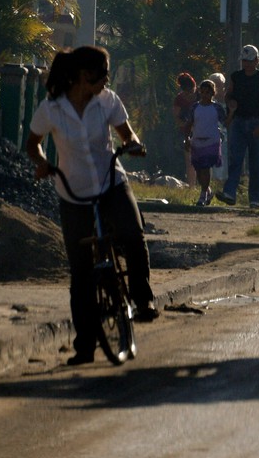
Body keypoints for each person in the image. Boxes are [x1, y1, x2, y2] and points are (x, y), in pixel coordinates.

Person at [24, 46, 159, 366]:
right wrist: (42, 163)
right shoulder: (51, 109)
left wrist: (133, 145)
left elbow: (127, 135)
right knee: (81, 272)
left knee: (132, 234)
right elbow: (33, 144)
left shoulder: (107, 101)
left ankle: (143, 298)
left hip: (111, 183)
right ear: (84, 76)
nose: (106, 81)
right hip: (73, 193)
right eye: (102, 74)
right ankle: (84, 345)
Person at [216, 44, 259, 207]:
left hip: (257, 123)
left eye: (249, 61)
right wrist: (231, 104)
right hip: (239, 122)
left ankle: (255, 198)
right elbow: (228, 95)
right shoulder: (236, 77)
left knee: (256, 163)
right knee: (236, 160)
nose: (246, 64)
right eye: (244, 61)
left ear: (257, 60)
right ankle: (230, 192)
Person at [182, 79, 226, 206]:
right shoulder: (195, 107)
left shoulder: (216, 108)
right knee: (199, 169)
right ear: (200, 92)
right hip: (197, 141)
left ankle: (202, 195)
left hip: (211, 141)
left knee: (206, 168)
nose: (205, 94)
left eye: (208, 92)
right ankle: (207, 190)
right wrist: (187, 139)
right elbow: (189, 124)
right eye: (203, 92)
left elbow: (225, 123)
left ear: (213, 93)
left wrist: (233, 112)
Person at [172, 72, 198, 185]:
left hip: (202, 131)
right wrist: (189, 127)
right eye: (188, 92)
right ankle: (191, 186)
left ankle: (204, 185)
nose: (190, 94)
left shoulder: (201, 95)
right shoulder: (179, 100)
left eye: (192, 91)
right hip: (187, 133)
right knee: (190, 161)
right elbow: (177, 119)